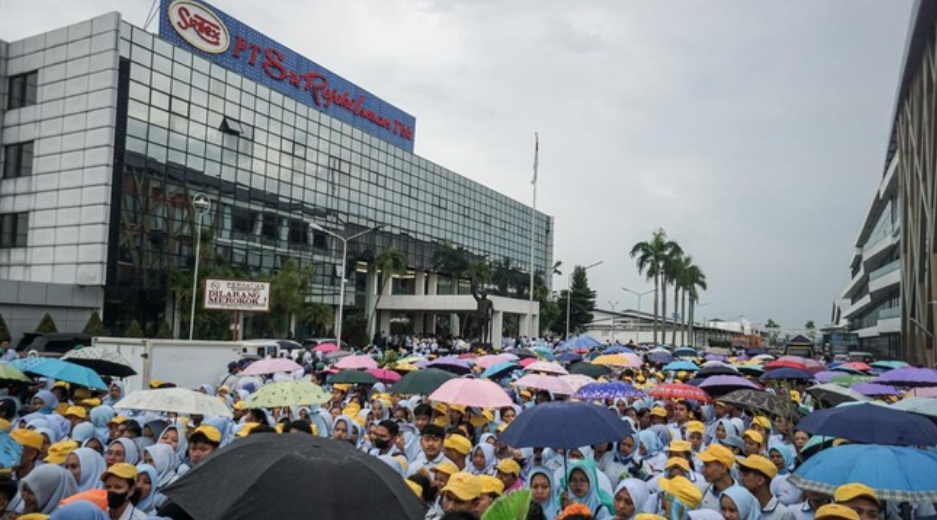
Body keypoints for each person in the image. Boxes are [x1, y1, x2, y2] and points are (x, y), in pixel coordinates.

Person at [737, 456, 794, 520]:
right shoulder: (743, 508)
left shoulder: (783, 514)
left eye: (745, 475)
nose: (741, 479)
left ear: (760, 480)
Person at [699, 445, 737, 511]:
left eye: (707, 465)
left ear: (723, 468)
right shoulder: (702, 491)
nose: (703, 470)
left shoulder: (742, 497)